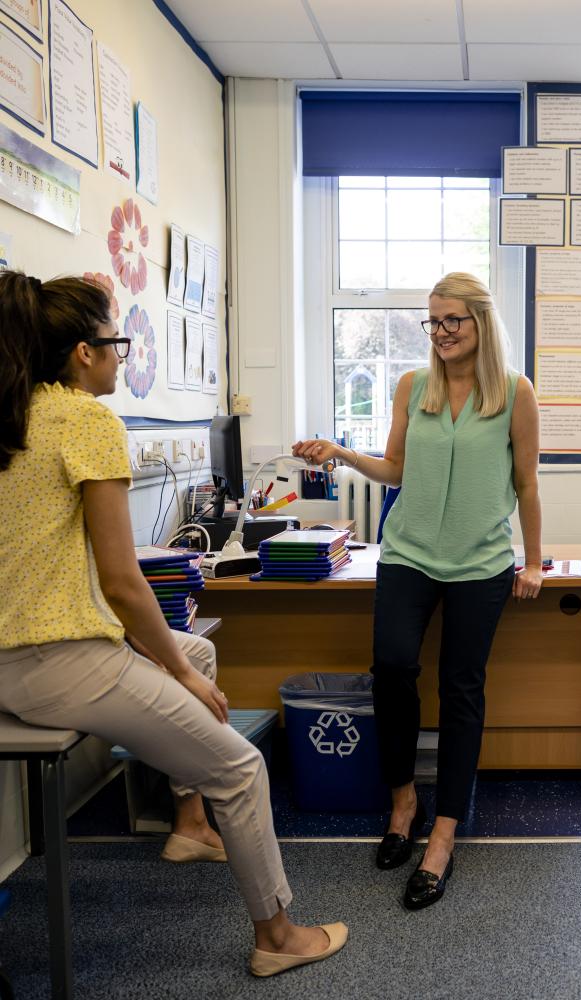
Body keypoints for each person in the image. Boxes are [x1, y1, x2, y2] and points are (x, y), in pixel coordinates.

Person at [0, 271, 346, 978]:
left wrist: (179, 659)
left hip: (15, 653)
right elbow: (126, 585)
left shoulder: (14, 414)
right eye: (114, 342)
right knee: (240, 766)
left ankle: (189, 828)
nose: (120, 357)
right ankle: (277, 937)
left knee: (195, 648)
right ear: (81, 353)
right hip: (57, 661)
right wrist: (178, 674)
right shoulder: (86, 422)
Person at [293, 271, 542, 910]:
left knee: (462, 689)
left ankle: (444, 836)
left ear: (481, 323)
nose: (441, 333)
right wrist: (341, 453)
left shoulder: (516, 394)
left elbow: (529, 484)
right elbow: (395, 468)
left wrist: (533, 562)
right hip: (407, 555)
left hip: (482, 562)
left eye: (452, 320)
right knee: (393, 669)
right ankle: (403, 799)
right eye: (433, 322)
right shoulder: (413, 386)